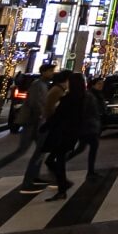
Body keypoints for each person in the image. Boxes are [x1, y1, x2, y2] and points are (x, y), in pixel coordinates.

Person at [0, 63, 54, 191]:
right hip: (32, 123)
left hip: (36, 123)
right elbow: (37, 105)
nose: (52, 73)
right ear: (44, 72)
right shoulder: (38, 85)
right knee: (22, 151)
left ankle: (33, 176)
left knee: (40, 150)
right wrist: (44, 118)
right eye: (50, 71)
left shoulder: (42, 85)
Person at [43, 73, 85, 201]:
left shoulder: (68, 98)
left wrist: (45, 127)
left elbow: (58, 116)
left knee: (55, 160)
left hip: (63, 134)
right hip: (73, 133)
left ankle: (63, 186)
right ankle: (63, 185)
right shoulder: (83, 98)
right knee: (56, 160)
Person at [76, 76, 106, 179]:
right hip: (89, 126)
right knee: (91, 147)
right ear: (93, 84)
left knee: (81, 148)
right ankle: (90, 171)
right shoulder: (89, 95)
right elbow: (85, 111)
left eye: (102, 84)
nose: (101, 86)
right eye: (99, 84)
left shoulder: (96, 95)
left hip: (92, 125)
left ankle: (59, 161)